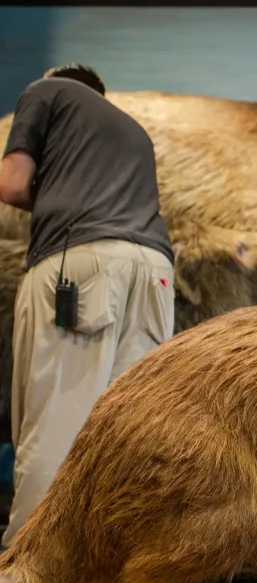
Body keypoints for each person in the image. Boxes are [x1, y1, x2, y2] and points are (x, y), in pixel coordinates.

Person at [0, 63, 175, 547]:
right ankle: (121, 556)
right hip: (155, 273)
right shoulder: (135, 132)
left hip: (82, 266)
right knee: (136, 426)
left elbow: (11, 184)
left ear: (61, 78)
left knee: (58, 413)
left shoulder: (47, 90)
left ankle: (28, 571)